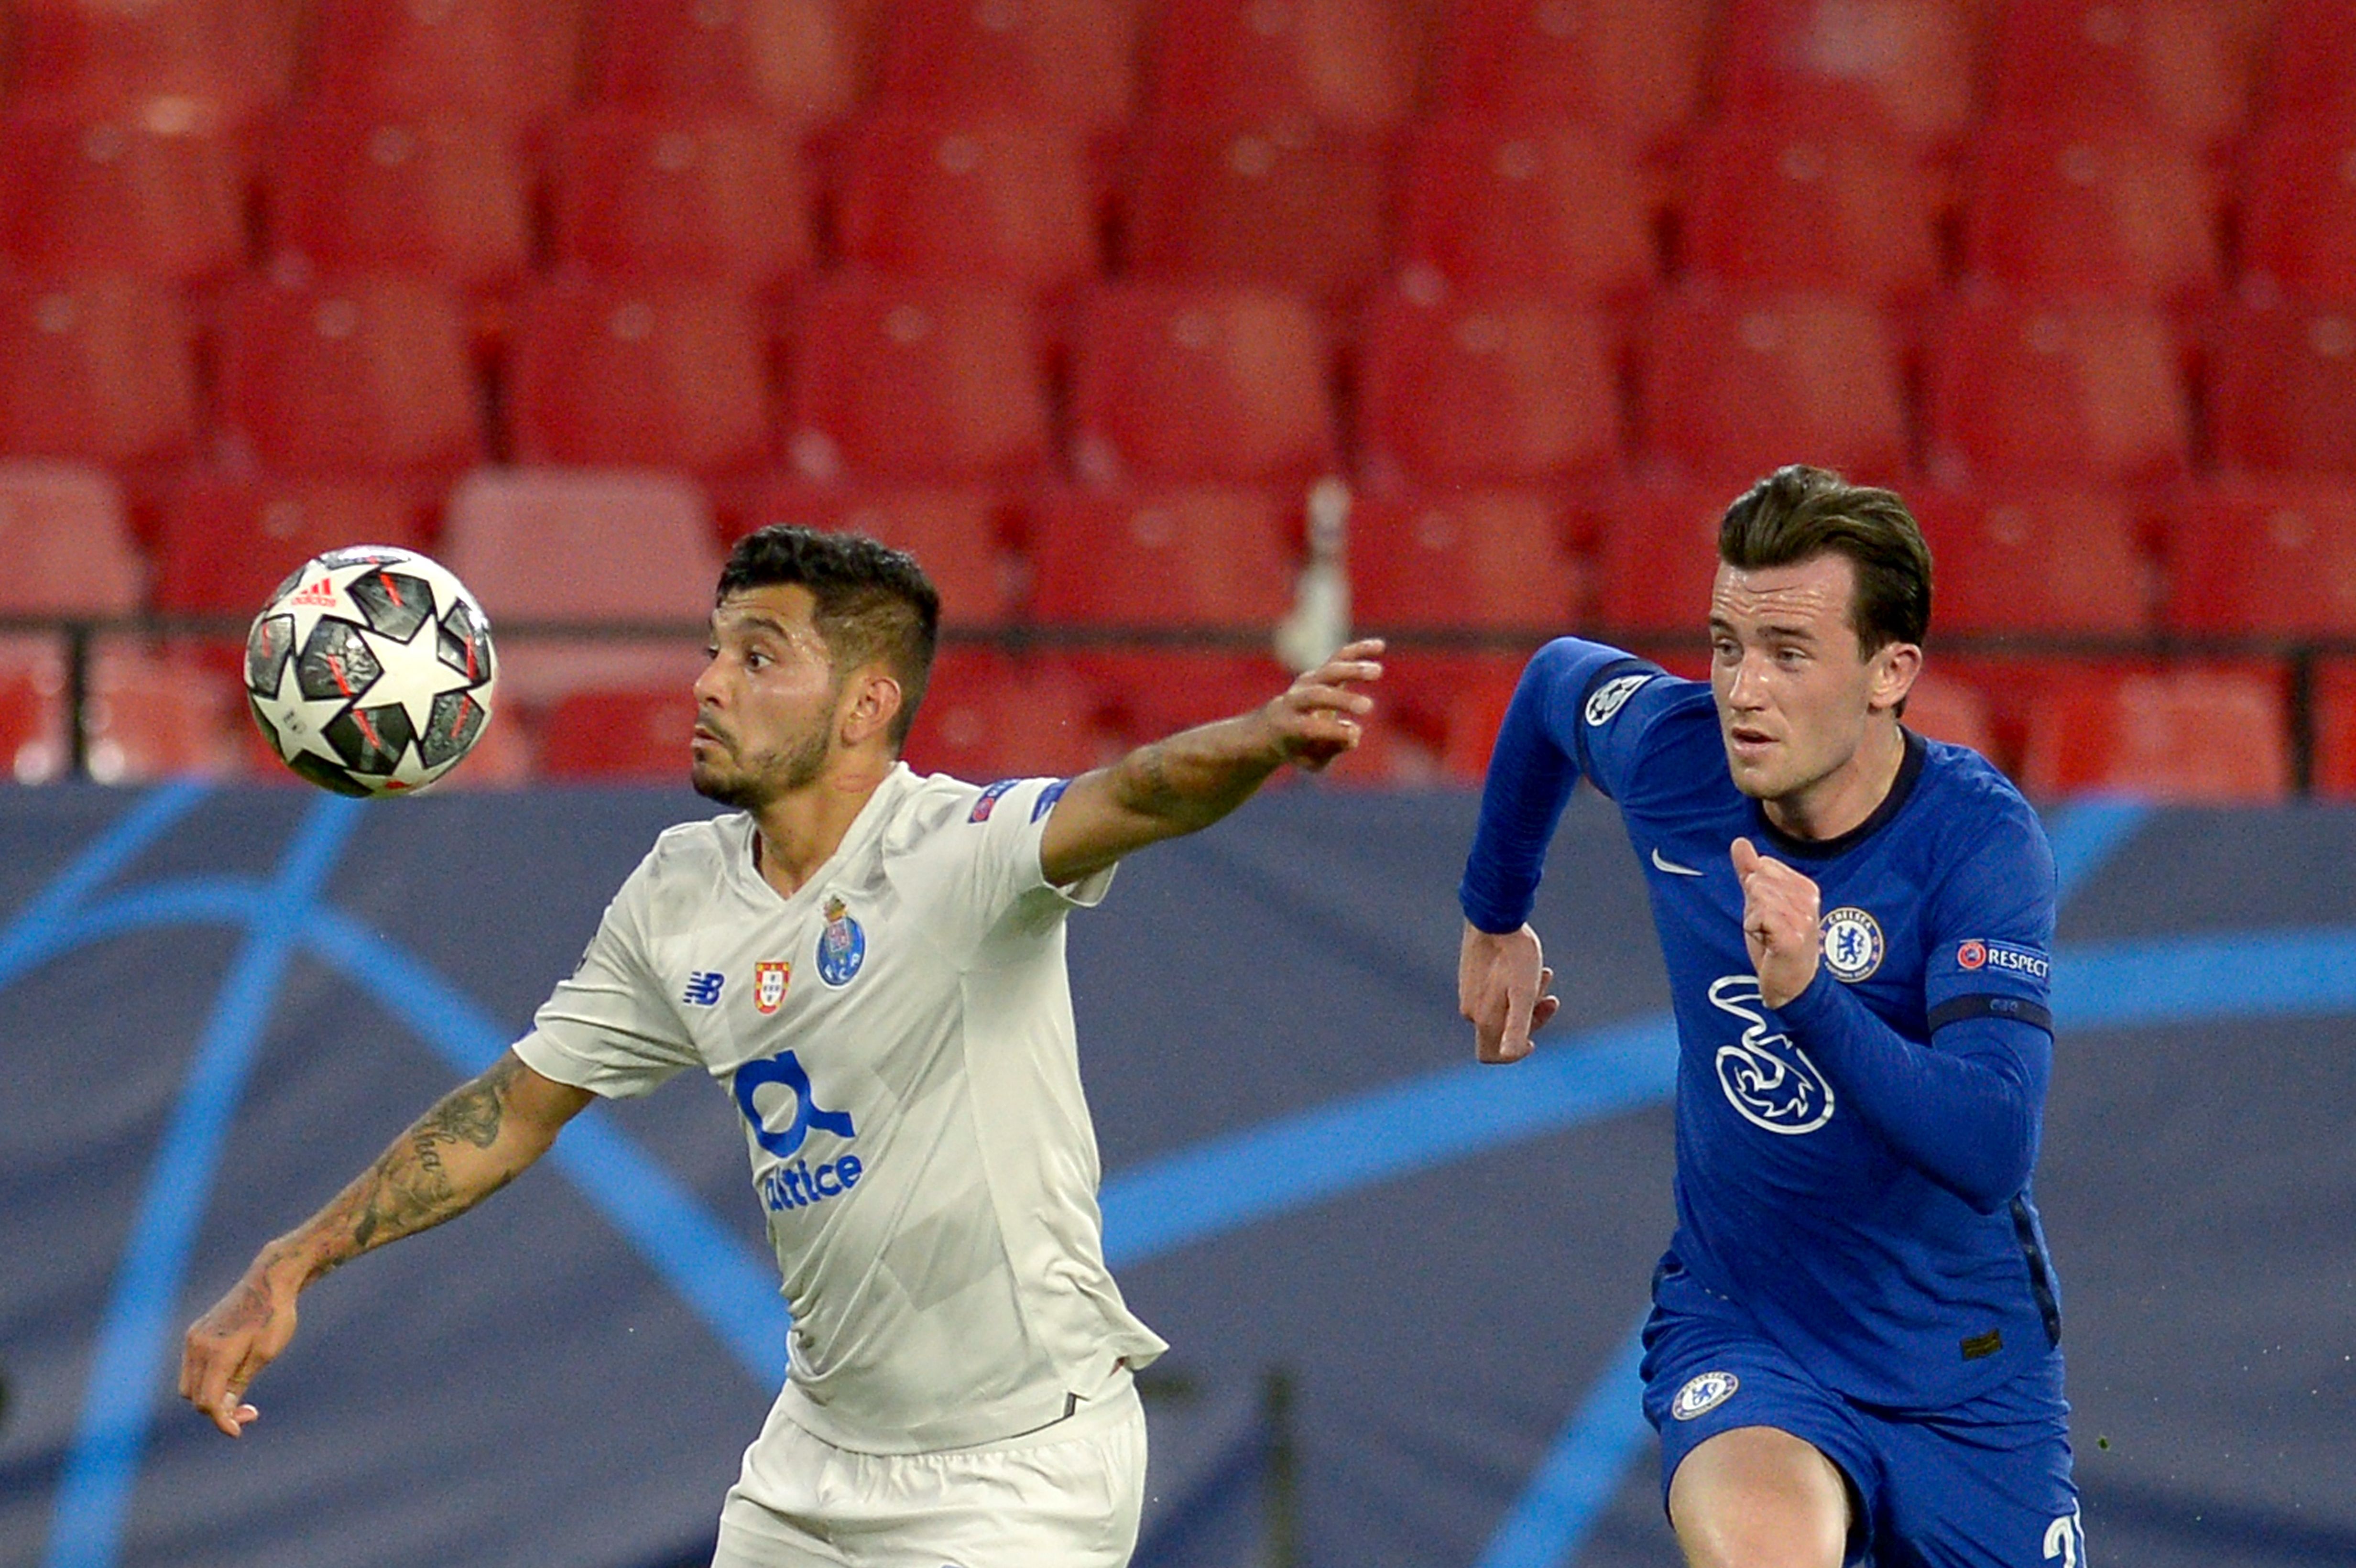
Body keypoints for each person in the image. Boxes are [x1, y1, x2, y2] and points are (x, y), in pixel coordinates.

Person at [182, 524, 1385, 1568]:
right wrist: (294, 1259)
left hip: (1019, 1473)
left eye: (758, 656)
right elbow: (516, 1106)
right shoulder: (677, 893)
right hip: (817, 1459)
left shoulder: (956, 852)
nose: (709, 683)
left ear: (865, 703)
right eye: (714, 649)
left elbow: (1140, 789)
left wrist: (1265, 736)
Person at [1456, 466, 2084, 1567]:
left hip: (1966, 1366)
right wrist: (1493, 912)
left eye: (1788, 654)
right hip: (1750, 1327)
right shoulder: (1674, 753)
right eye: (1724, 644)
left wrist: (1808, 997)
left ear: (1891, 672)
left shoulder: (1977, 842)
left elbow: (1990, 1144)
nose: (1741, 691)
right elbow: (1556, 683)